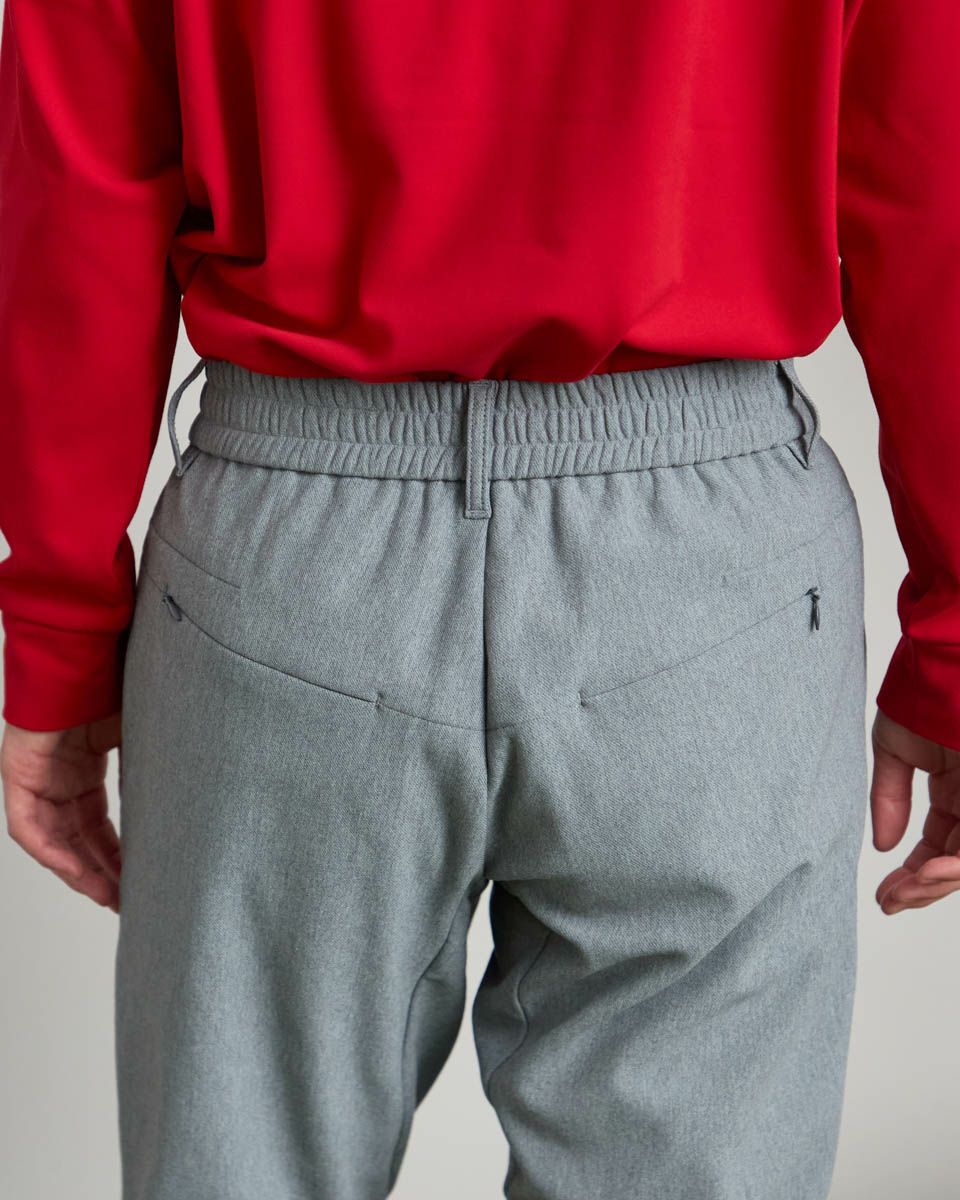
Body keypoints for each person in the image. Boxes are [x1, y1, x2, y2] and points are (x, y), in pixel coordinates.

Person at [0, 3, 958, 1198]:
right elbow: (929, 180)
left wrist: (61, 631)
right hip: (711, 574)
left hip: (291, 559)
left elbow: (82, 184)